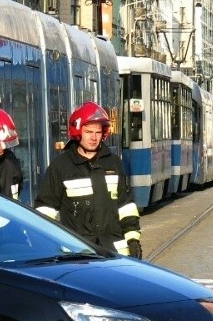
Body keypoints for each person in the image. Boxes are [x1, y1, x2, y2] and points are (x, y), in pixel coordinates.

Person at [34, 101, 142, 258]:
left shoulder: (114, 163)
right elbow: (45, 211)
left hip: (114, 252)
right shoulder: (61, 166)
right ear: (78, 132)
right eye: (89, 132)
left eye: (98, 133)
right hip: (76, 253)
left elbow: (126, 207)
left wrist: (133, 240)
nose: (94, 138)